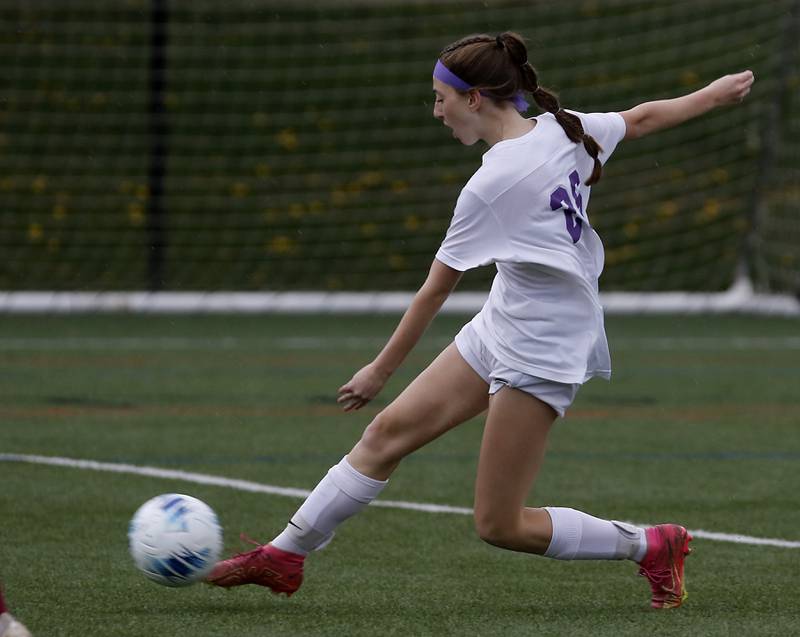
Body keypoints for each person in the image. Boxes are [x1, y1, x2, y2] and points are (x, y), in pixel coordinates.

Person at [207, 32, 754, 609]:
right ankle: (283, 556)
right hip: (505, 320)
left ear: (474, 99)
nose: (437, 110)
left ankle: (649, 544)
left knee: (500, 524)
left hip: (542, 347)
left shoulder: (493, 185)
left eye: (441, 98)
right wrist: (713, 95)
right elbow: (640, 119)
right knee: (385, 437)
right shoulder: (561, 129)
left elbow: (433, 292)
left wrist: (378, 371)